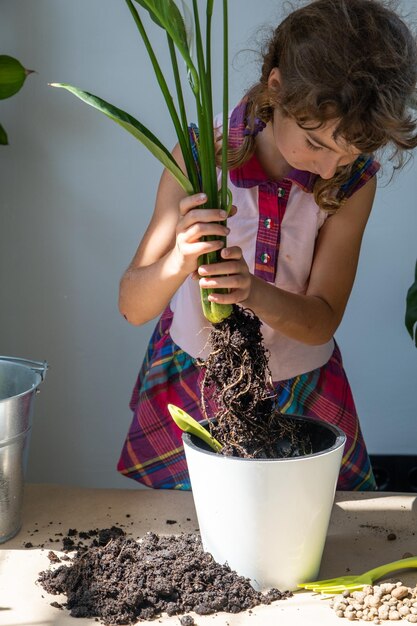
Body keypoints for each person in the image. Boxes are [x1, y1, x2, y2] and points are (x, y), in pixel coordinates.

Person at [117, 0, 417, 491]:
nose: (328, 169)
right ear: (276, 88)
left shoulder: (353, 182)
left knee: (309, 531)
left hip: (299, 388)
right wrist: (178, 258)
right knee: (194, 539)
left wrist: (252, 292)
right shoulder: (201, 156)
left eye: (352, 154)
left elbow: (321, 320)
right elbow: (132, 305)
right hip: (197, 380)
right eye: (318, 144)